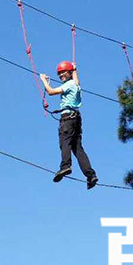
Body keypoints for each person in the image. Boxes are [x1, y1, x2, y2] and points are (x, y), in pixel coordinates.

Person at [40, 61, 98, 189]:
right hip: (75, 118)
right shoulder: (75, 84)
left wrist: (43, 80)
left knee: (64, 142)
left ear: (69, 73)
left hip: (67, 119)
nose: (61, 75)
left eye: (63, 72)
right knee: (77, 148)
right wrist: (75, 69)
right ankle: (90, 175)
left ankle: (65, 166)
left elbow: (50, 92)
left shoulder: (69, 84)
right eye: (59, 73)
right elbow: (77, 80)